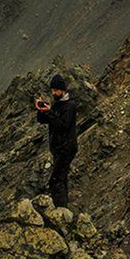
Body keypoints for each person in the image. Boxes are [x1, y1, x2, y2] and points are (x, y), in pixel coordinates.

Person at [33, 75, 94, 206]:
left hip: (66, 148)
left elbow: (63, 125)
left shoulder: (69, 105)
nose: (53, 93)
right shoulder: (57, 105)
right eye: (52, 90)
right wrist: (41, 110)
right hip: (58, 148)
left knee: (55, 180)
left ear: (63, 90)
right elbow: (42, 120)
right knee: (62, 178)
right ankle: (64, 208)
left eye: (56, 90)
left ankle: (60, 210)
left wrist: (50, 112)